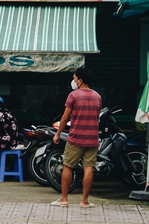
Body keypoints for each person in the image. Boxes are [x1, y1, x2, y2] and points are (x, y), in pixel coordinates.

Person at [50, 66, 101, 208]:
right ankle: (84, 201)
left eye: (74, 78)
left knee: (68, 166)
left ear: (80, 80)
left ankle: (64, 199)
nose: (73, 81)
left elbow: (65, 117)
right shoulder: (98, 96)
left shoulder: (74, 96)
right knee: (89, 167)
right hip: (92, 138)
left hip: (76, 138)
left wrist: (58, 134)